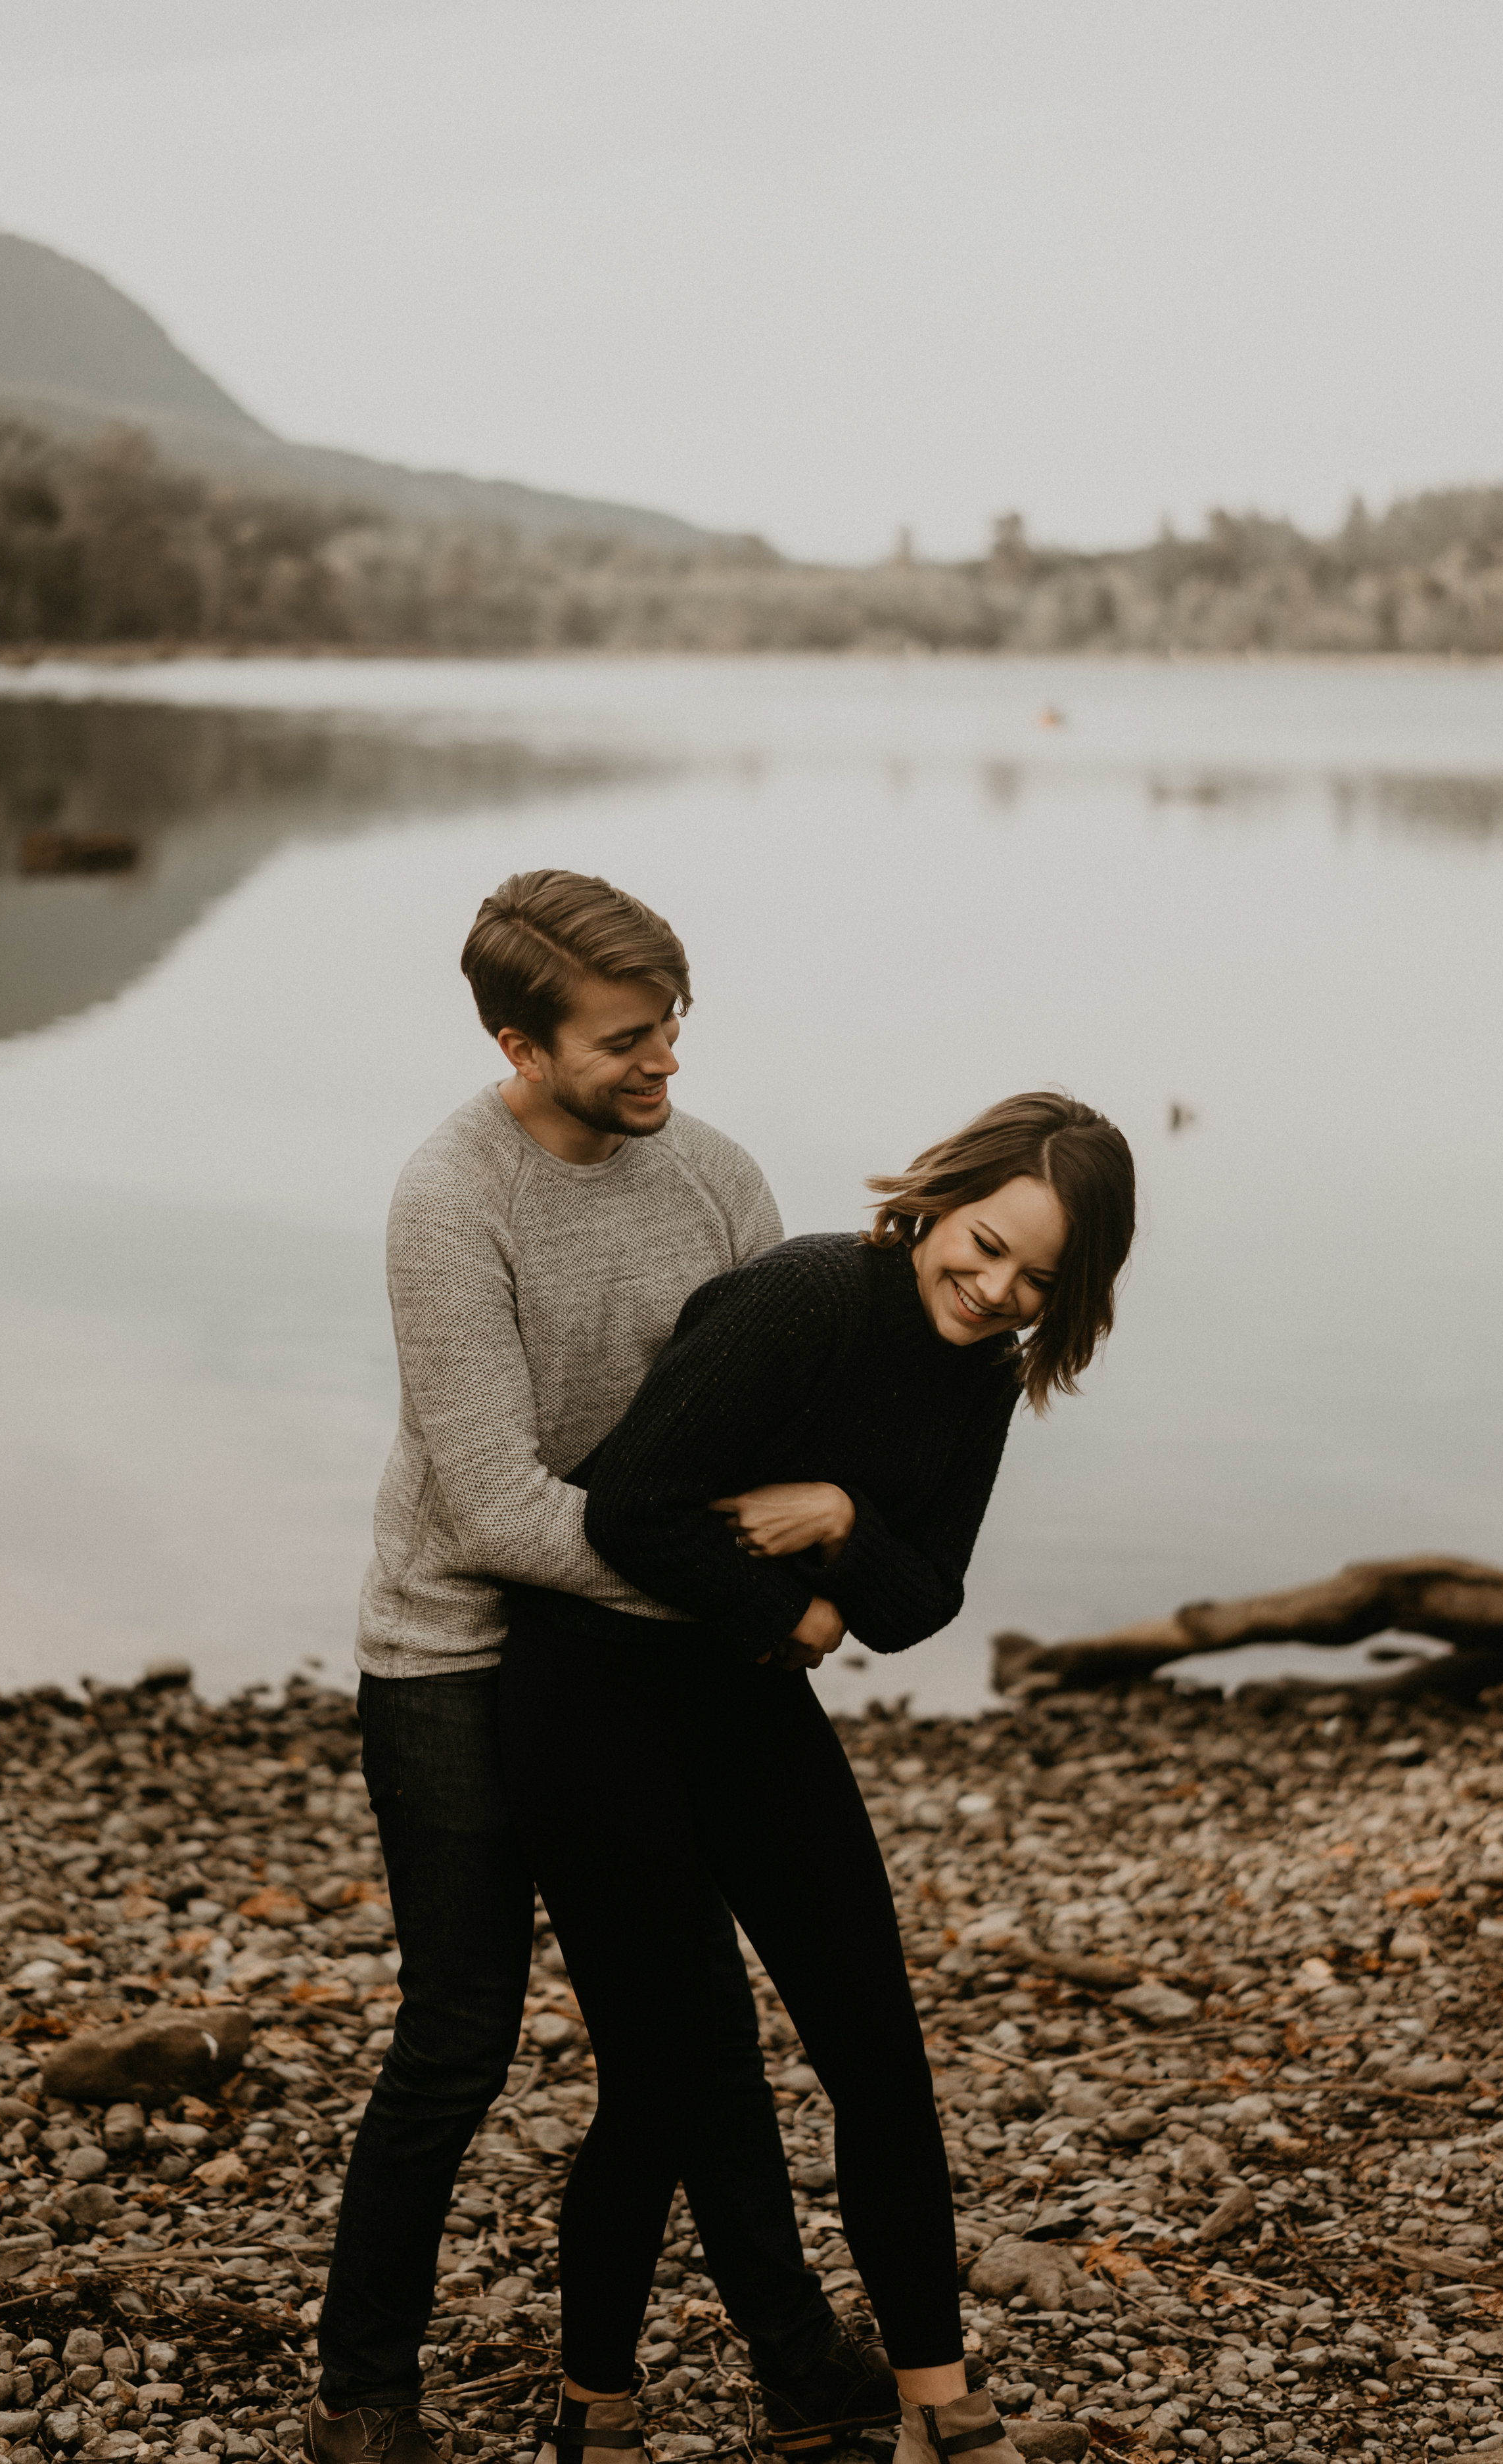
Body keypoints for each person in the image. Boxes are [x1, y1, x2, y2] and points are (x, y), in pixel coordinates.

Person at [308, 871, 894, 2464]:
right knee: (459, 2033)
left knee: (685, 2022)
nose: (665, 1066)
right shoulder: (452, 1197)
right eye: (626, 1041)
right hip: (458, 1646)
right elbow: (494, 1507)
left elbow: (798, 1416)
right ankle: (362, 2388)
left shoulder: (713, 1179)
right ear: (518, 1043)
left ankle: (791, 2353)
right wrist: (731, 1600)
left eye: (672, 1027)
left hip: (638, 1651)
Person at [498, 1093, 1136, 2464]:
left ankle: (935, 2408)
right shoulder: (804, 1300)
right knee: (663, 2076)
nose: (990, 1289)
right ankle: (593, 2409)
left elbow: (922, 1599)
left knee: (878, 2058)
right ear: (935, 1200)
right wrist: (786, 1616)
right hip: (589, 1690)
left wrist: (840, 1526)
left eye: (1034, 1279)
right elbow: (632, 1508)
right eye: (979, 1246)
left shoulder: (980, 1380)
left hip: (734, 1707)